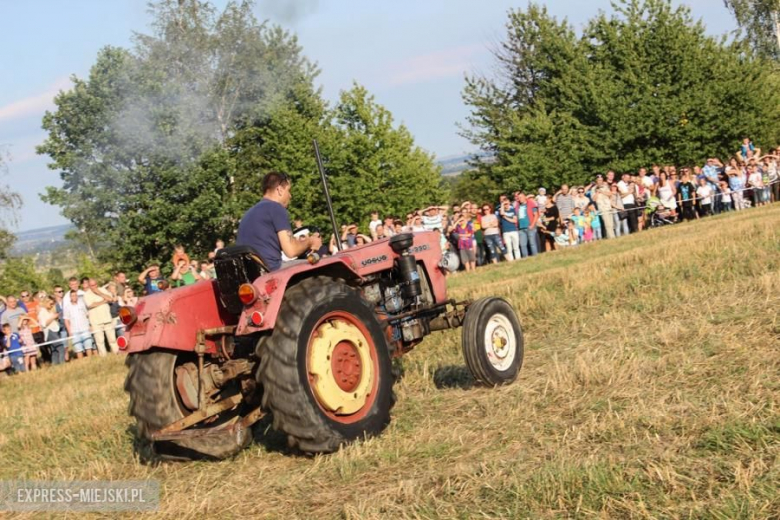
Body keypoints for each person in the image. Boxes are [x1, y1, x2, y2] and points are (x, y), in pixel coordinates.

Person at [236, 172, 321, 270]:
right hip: (271, 270)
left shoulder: (249, 213)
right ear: (280, 190)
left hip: (252, 272)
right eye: (288, 191)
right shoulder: (276, 208)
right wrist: (310, 241)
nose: (290, 196)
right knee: (319, 265)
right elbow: (291, 251)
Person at [83, 278, 118, 356]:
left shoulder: (102, 290)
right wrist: (103, 301)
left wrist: (99, 293)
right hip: (95, 321)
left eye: (95, 284)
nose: (94, 286)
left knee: (112, 339)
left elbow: (110, 299)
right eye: (92, 285)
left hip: (107, 318)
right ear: (89, 285)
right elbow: (91, 305)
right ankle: (103, 356)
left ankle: (116, 353)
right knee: (100, 341)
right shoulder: (86, 294)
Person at [64, 290, 95, 359]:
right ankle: (81, 364)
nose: (74, 297)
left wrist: (89, 325)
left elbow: (87, 315)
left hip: (85, 329)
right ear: (70, 297)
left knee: (88, 347)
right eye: (72, 296)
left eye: (75, 295)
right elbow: (66, 320)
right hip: (75, 331)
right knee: (79, 350)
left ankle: (90, 361)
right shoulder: (67, 307)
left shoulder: (82, 304)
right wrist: (69, 331)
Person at [38, 297, 64, 365]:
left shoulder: (49, 311)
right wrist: (53, 317)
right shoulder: (42, 312)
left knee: (54, 350)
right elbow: (44, 324)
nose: (52, 305)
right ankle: (63, 364)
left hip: (55, 331)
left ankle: (55, 365)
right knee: (60, 347)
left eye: (53, 304)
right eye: (51, 303)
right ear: (46, 302)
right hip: (50, 332)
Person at [498, 195, 520, 260]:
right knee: (509, 248)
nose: (506, 205)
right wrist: (502, 204)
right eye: (505, 204)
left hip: (513, 230)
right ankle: (511, 260)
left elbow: (515, 220)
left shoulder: (512, 210)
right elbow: (502, 213)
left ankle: (518, 259)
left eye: (507, 203)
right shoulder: (501, 210)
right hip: (506, 232)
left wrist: (506, 218)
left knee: (516, 247)